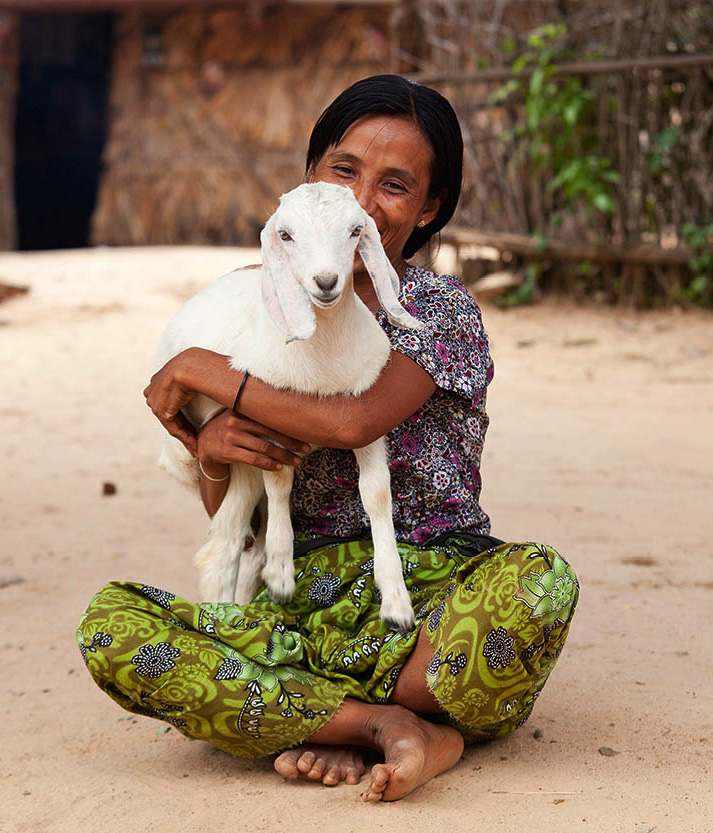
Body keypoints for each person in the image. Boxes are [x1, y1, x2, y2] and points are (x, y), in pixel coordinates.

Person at [77, 74, 578, 802]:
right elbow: (235, 516)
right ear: (310, 178)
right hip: (295, 612)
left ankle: (317, 713)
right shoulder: (249, 305)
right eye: (343, 170)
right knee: (110, 625)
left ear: (429, 207)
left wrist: (202, 371)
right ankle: (390, 723)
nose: (361, 200)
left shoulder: (437, 311)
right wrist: (210, 448)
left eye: (396, 185)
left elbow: (354, 420)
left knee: (539, 582)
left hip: (430, 594)